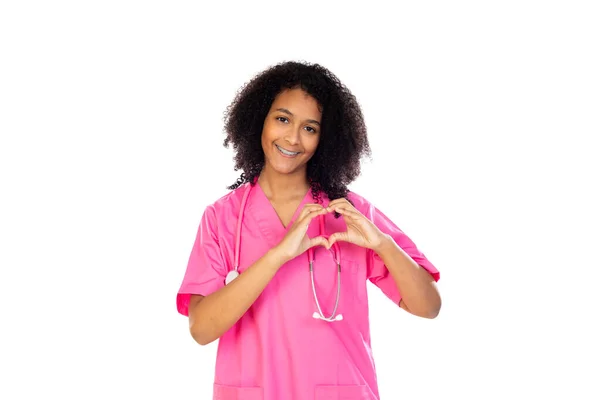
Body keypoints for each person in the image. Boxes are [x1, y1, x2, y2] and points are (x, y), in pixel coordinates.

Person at [176, 60, 441, 400]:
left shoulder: (350, 213)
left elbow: (428, 306)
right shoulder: (223, 218)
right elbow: (201, 329)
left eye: (310, 128)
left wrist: (384, 245)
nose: (292, 138)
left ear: (325, 140)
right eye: (282, 119)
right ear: (260, 120)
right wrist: (277, 256)